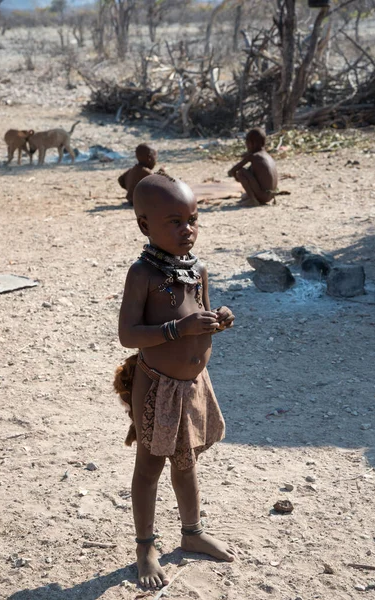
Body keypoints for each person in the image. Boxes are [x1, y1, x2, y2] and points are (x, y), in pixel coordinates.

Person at [115, 172, 236, 589]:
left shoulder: (196, 268)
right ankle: (145, 546)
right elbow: (128, 335)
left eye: (193, 219)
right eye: (175, 221)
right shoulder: (142, 274)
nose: (188, 229)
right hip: (157, 387)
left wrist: (217, 319)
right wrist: (176, 330)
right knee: (148, 468)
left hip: (193, 387)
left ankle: (192, 531)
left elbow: (197, 312)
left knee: (186, 464)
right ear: (144, 224)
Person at [228, 127, 278, 206]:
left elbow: (232, 171)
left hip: (263, 195)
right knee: (250, 169)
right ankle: (252, 197)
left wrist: (236, 177)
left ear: (252, 143)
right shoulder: (266, 155)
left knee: (241, 172)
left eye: (247, 144)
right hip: (271, 196)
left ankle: (252, 199)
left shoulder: (253, 156)